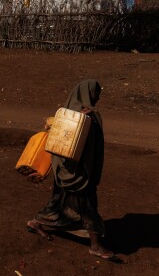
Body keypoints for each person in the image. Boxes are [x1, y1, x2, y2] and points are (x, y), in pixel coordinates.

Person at [25, 79, 116, 261]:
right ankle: (96, 246)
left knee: (60, 203)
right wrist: (87, 121)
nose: (97, 97)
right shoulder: (79, 116)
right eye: (95, 93)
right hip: (79, 173)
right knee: (88, 207)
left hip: (64, 171)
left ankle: (35, 222)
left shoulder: (67, 112)